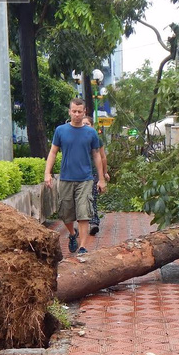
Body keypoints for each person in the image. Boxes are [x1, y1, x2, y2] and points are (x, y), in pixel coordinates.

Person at [44, 98, 106, 255]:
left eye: (80, 111)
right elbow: (53, 152)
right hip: (66, 178)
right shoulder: (61, 131)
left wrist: (101, 178)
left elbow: (97, 155)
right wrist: (47, 173)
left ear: (84, 112)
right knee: (65, 214)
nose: (77, 114)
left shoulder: (91, 133)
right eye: (74, 111)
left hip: (85, 179)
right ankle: (73, 234)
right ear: (69, 112)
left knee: (83, 213)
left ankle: (83, 247)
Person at [82, 115, 110, 236]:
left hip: (93, 172)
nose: (84, 126)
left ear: (92, 126)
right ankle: (80, 225)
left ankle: (94, 222)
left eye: (87, 124)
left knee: (91, 197)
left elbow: (102, 157)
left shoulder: (96, 139)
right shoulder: (76, 137)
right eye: (83, 124)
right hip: (78, 173)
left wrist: (104, 173)